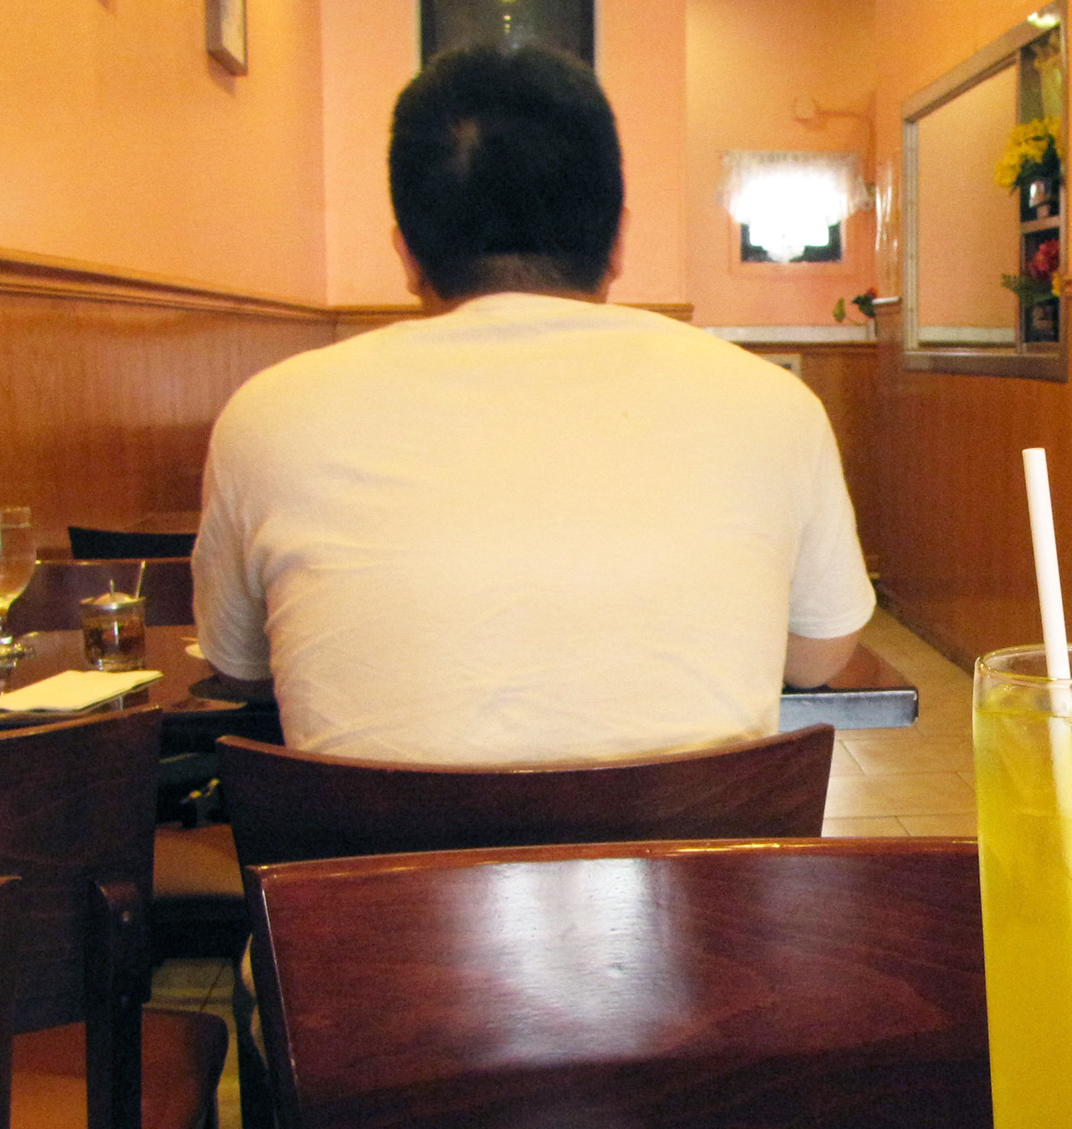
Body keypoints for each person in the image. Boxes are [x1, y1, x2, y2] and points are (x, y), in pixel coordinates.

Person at [193, 44, 874, 764]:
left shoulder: (270, 415)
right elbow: (818, 659)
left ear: (407, 255)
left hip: (374, 875)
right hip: (688, 876)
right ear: (617, 242)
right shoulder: (773, 404)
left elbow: (239, 668)